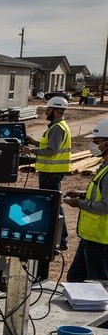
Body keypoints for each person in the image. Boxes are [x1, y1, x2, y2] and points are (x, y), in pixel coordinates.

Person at [25, 95, 72, 250]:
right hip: (51, 171)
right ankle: (57, 238)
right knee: (52, 204)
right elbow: (51, 144)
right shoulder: (58, 126)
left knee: (53, 205)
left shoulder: (58, 127)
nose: (46, 112)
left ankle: (61, 240)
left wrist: (31, 150)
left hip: (51, 172)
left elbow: (52, 150)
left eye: (49, 109)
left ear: (57, 111)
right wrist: (35, 142)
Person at [64, 119, 108, 282]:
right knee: (75, 279)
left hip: (101, 241)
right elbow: (100, 193)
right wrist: (81, 194)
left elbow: (105, 205)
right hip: (90, 237)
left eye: (97, 142)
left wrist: (79, 204)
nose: (93, 145)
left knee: (98, 284)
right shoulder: (104, 167)